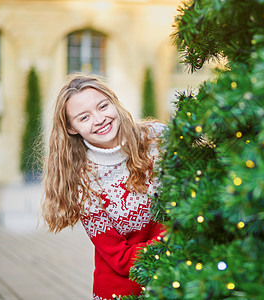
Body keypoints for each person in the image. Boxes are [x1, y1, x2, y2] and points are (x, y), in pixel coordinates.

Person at [41, 73, 166, 300]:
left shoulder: (157, 137)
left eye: (102, 106)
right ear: (71, 128)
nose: (99, 119)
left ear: (114, 102)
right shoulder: (84, 183)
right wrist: (176, 241)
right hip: (126, 290)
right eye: (84, 117)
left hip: (188, 277)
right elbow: (119, 259)